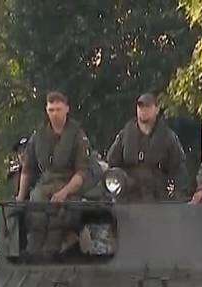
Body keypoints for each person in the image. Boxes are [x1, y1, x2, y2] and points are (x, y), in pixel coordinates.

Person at [15, 91, 93, 257]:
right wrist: (20, 198)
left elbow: (81, 172)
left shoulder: (78, 136)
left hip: (69, 186)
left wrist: (64, 192)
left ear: (67, 109)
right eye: (51, 110)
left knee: (58, 221)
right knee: (36, 217)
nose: (54, 114)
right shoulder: (38, 136)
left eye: (58, 109)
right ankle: (33, 258)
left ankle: (52, 255)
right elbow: (27, 169)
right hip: (45, 185)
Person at [106, 93, 188, 200]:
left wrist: (177, 194)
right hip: (128, 198)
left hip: (157, 198)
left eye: (147, 106)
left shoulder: (168, 137)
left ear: (157, 109)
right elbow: (112, 162)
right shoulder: (125, 135)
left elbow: (179, 169)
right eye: (140, 106)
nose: (143, 110)